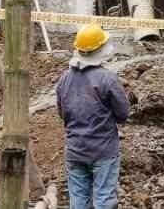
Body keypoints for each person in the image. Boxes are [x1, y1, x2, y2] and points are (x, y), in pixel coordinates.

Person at [56, 24, 130, 209]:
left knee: (78, 200)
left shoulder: (64, 79)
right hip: (102, 150)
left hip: (75, 150)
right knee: (104, 199)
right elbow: (123, 113)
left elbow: (62, 114)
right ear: (100, 49)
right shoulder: (107, 78)